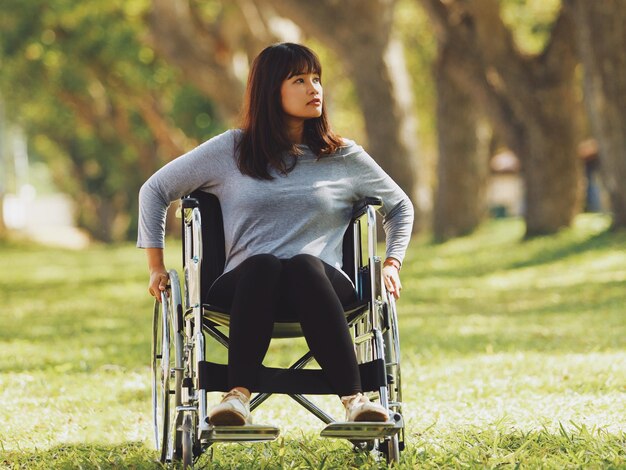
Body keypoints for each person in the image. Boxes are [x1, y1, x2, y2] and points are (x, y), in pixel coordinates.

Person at [137, 43, 414, 426]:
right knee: (265, 265)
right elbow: (154, 190)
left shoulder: (343, 156)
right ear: (271, 90)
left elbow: (400, 206)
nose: (314, 88)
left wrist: (393, 261)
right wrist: (155, 266)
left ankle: (355, 401)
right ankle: (236, 400)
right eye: (299, 80)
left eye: (316, 78)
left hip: (324, 287)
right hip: (246, 288)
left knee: (303, 265)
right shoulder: (232, 149)